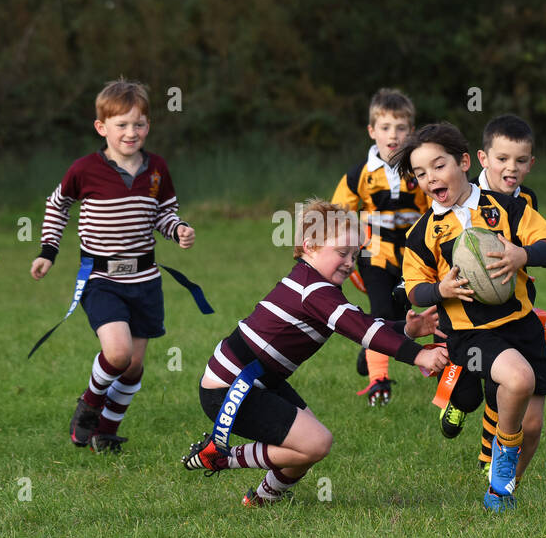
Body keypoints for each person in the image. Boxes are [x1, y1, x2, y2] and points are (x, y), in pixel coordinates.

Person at [180, 199, 447, 506]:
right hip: (231, 388)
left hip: (258, 378)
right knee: (315, 443)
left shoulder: (318, 286)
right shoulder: (314, 290)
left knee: (307, 443)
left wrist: (409, 329)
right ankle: (219, 456)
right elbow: (361, 330)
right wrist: (419, 355)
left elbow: (361, 322)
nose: (350, 262)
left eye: (355, 254)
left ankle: (263, 499)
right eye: (341, 252)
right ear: (309, 246)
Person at [398, 123, 546, 512]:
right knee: (518, 379)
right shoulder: (424, 234)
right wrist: (440, 291)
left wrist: (523, 255)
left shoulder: (506, 207)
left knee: (534, 428)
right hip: (472, 336)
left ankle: (502, 487)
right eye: (420, 173)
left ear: (463, 161)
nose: (430, 178)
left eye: (438, 166)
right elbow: (413, 288)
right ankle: (499, 455)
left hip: (522, 325)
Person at [31, 79, 195, 453]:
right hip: (101, 277)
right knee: (117, 354)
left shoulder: (157, 169)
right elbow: (57, 205)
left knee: (134, 367)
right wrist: (47, 251)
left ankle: (106, 430)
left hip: (146, 280)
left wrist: (179, 229)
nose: (130, 132)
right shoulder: (85, 169)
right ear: (101, 128)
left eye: (138, 124)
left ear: (148, 126)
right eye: (121, 125)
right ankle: (88, 405)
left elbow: (164, 213)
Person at [435, 115, 546, 479]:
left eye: (521, 161)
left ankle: (494, 469)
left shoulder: (526, 200)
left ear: (531, 163)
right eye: (503, 159)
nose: (512, 168)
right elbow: (430, 247)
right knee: (468, 395)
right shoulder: (459, 197)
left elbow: (536, 243)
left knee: (507, 391)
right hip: (465, 320)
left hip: (514, 307)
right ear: (483, 158)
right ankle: (455, 403)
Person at [331, 88, 429, 406]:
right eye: (385, 128)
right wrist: (341, 251)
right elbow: (338, 214)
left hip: (414, 255)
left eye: (401, 128)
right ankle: (379, 383)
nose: (393, 135)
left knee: (405, 316)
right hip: (375, 252)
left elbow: (438, 207)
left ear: (411, 132)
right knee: (381, 314)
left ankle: (370, 353)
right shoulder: (360, 174)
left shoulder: (421, 168)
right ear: (372, 131)